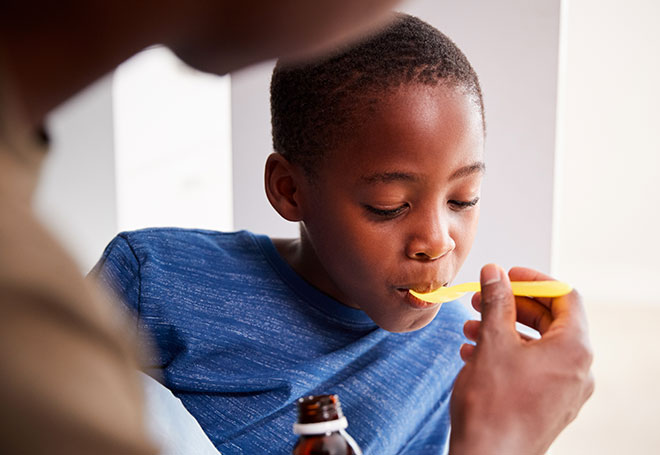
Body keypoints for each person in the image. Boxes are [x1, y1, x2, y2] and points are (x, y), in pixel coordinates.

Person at [0, 3, 592, 455]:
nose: (437, 240)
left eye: (465, 198)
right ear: (289, 190)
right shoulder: (156, 279)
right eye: (389, 205)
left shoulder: (454, 359)